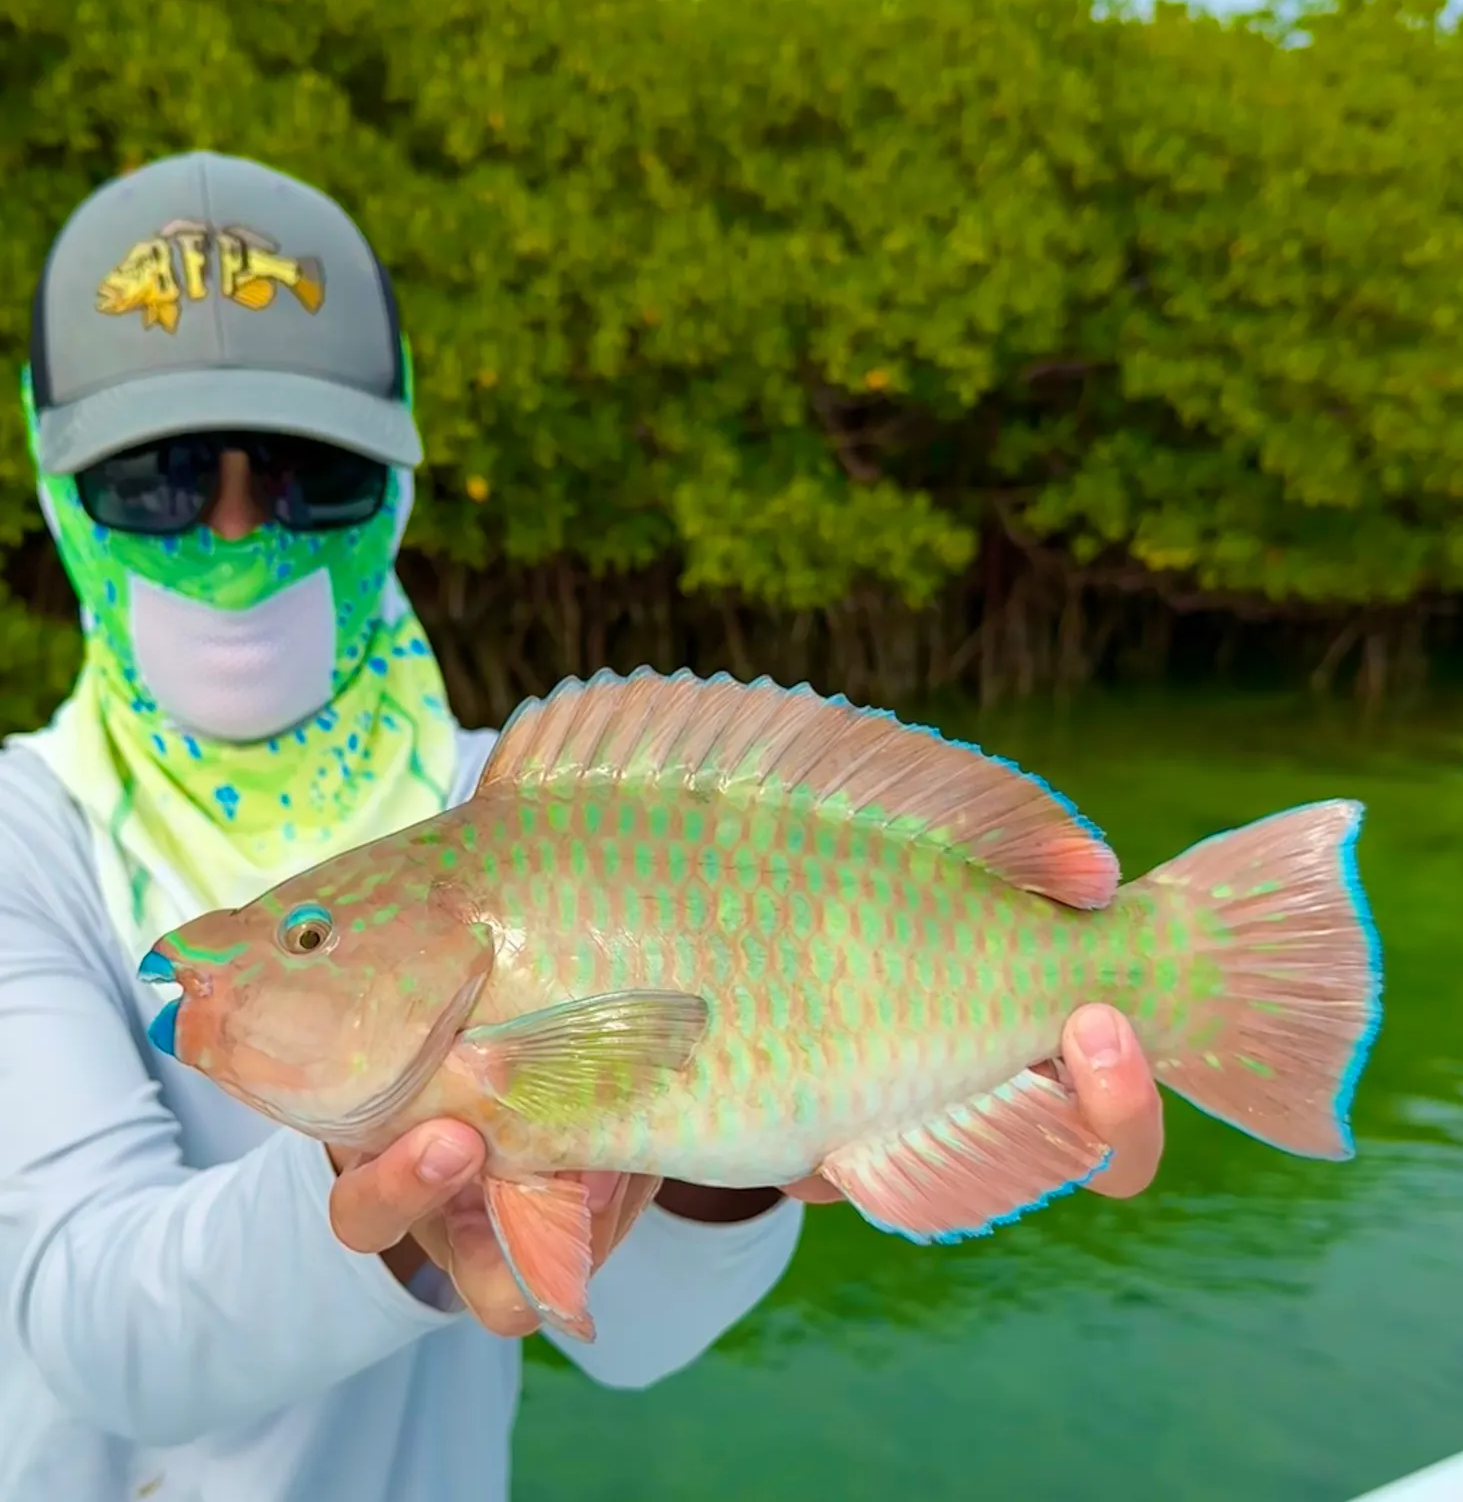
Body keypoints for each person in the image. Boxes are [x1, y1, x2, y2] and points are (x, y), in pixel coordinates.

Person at [0, 151, 1167, 1502]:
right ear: (51, 480)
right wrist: (374, 1207)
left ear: (399, 470)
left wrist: (741, 1165)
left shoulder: (520, 796)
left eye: (313, 475)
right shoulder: (23, 837)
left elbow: (639, 1345)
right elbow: (92, 1329)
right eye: (154, 481)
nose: (235, 531)